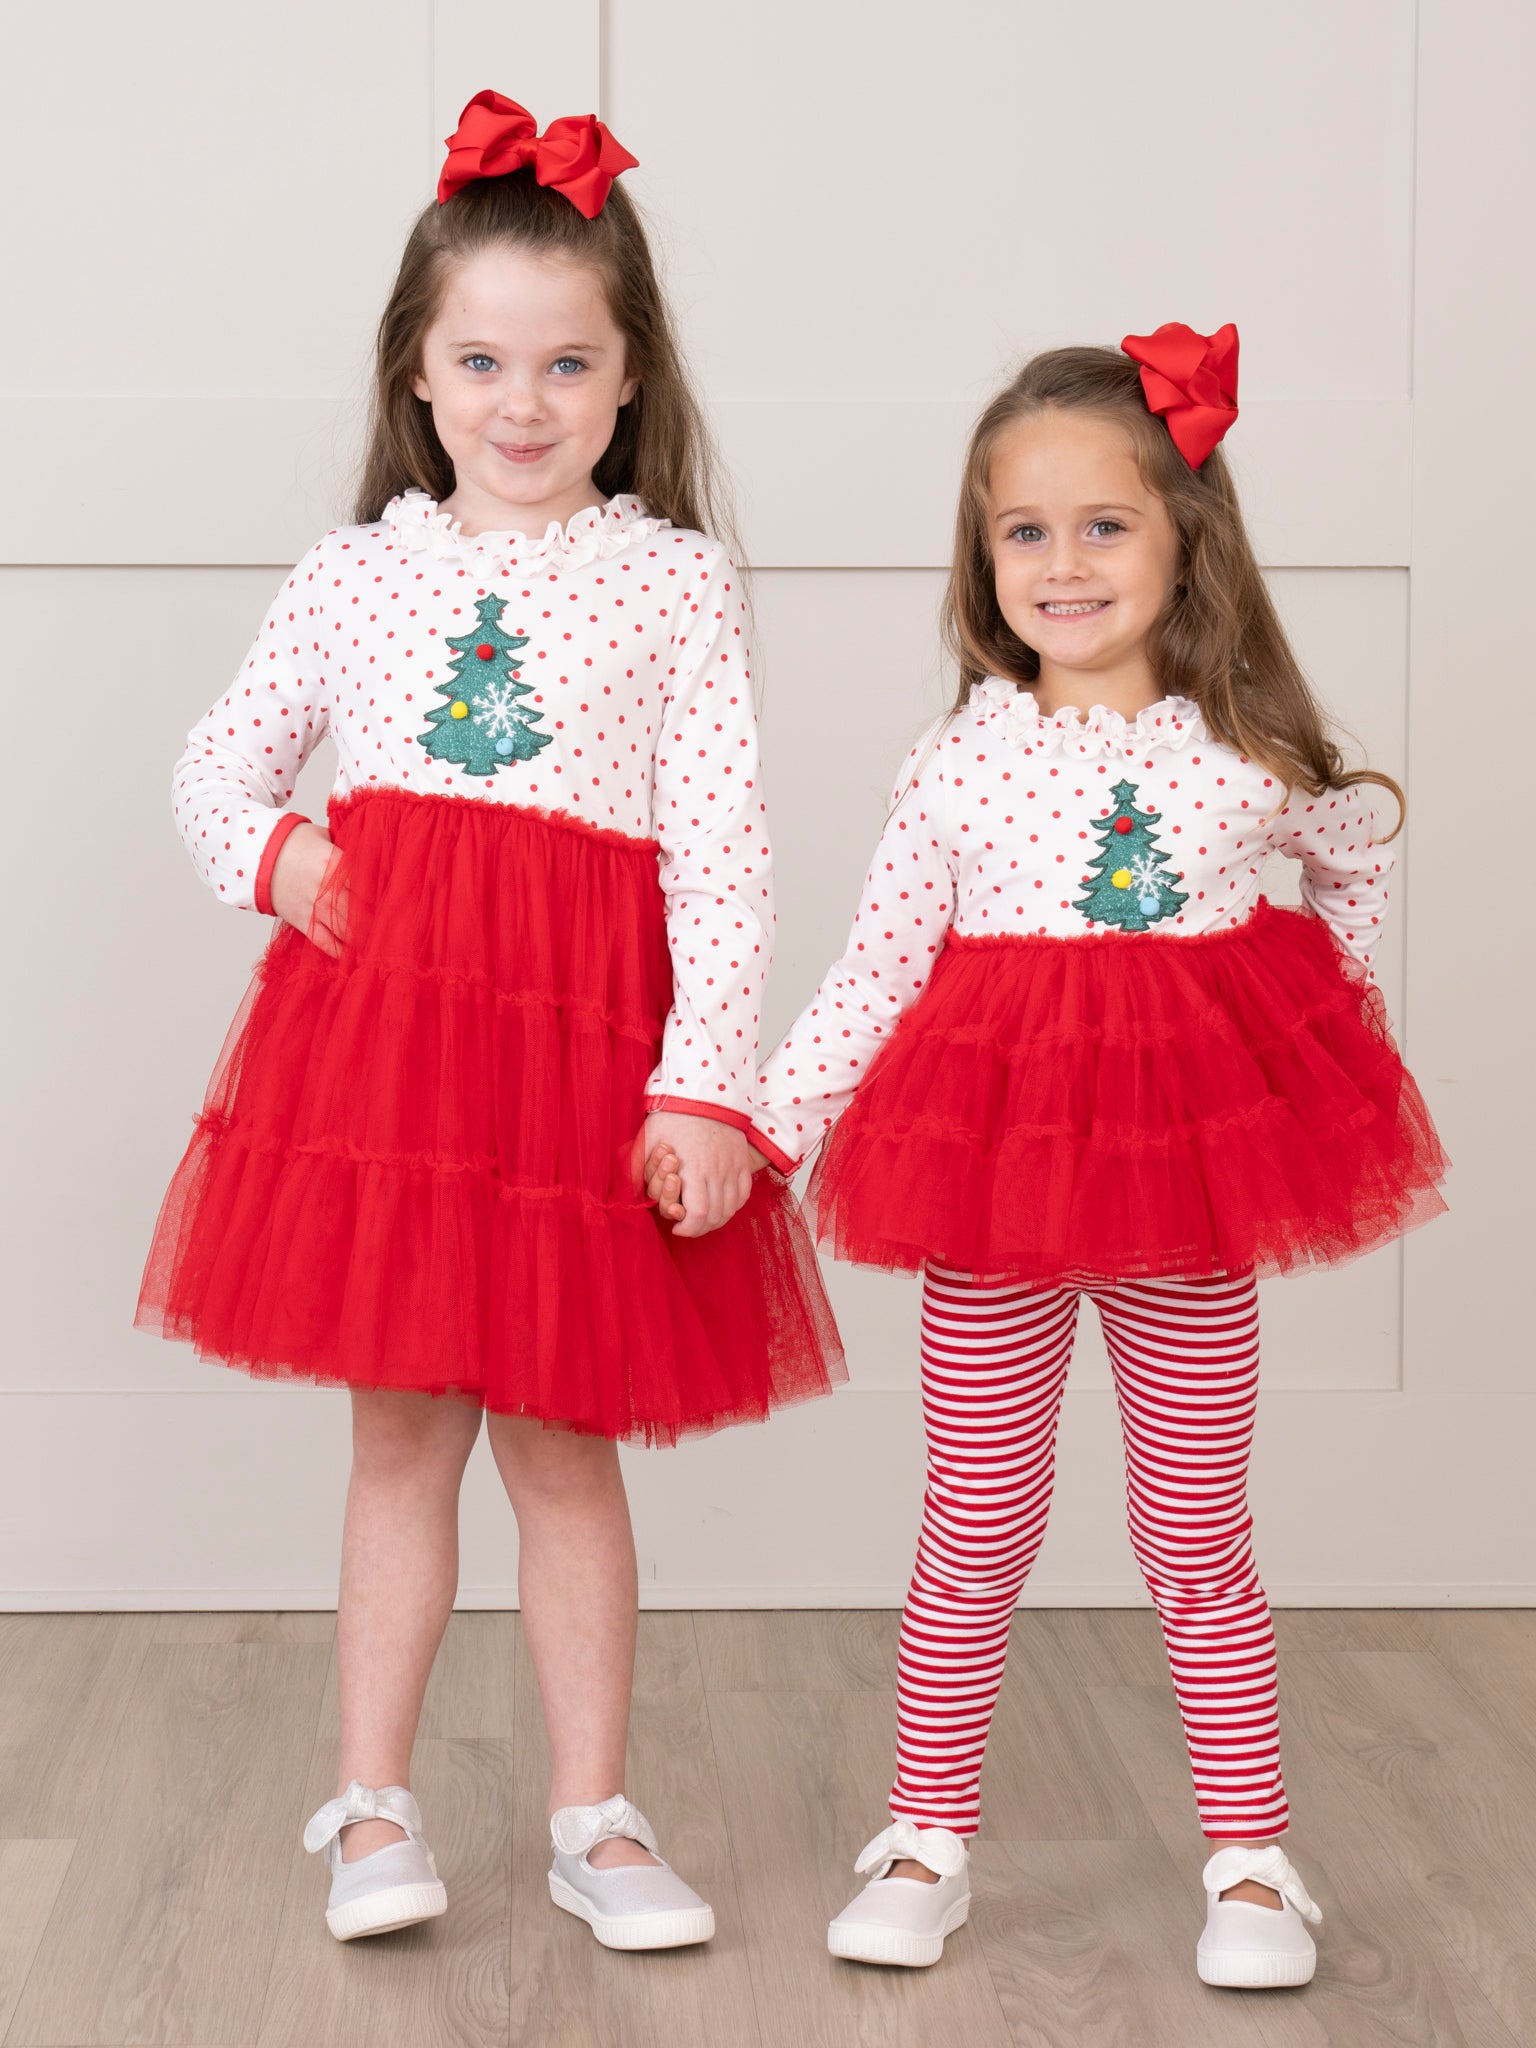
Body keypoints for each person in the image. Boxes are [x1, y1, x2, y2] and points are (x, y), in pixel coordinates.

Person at [647, 324, 1447, 1986]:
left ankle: (1250, 1862)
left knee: (1196, 1531)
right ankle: (926, 1837)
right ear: (983, 553)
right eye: (1026, 530)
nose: (1063, 564)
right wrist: (761, 1124)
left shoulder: (1242, 755)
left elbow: (1356, 846)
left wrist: (1323, 1028)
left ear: (1185, 540)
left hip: (1187, 1193)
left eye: (1104, 525)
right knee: (977, 1515)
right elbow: (876, 973)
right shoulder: (955, 764)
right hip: (993, 1190)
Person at [137, 89, 843, 1949]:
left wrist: (706, 1088)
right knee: (398, 1441)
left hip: (583, 1072)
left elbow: (725, 859)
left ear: (629, 380)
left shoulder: (673, 580)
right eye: (481, 361)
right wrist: (284, 854)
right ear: (418, 370)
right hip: (385, 1069)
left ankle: (595, 1816)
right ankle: (371, 1804)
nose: (521, 403)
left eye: (566, 364)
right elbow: (215, 770)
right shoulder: (355, 573)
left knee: (561, 1446)